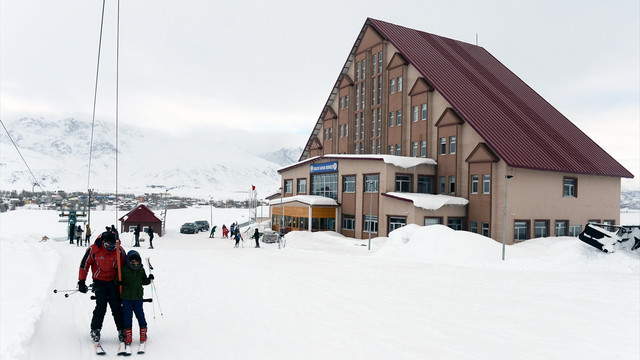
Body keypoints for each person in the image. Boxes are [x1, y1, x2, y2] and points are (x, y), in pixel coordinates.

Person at [78, 230, 126, 344]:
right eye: (108, 245)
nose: (110, 248)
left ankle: (122, 330)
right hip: (99, 281)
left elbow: (124, 266)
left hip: (114, 282)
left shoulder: (119, 250)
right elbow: (84, 265)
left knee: (117, 307)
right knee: (101, 306)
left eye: (113, 245)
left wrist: (123, 281)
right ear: (103, 242)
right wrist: (81, 281)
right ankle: (95, 329)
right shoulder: (93, 250)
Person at [118, 250, 153, 347]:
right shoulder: (124, 269)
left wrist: (150, 279)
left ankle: (143, 332)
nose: (134, 262)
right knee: (127, 316)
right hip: (126, 298)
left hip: (137, 297)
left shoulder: (141, 270)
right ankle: (128, 334)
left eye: (136, 261)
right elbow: (117, 279)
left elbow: (144, 281)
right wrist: (118, 282)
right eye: (132, 261)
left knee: (140, 315)